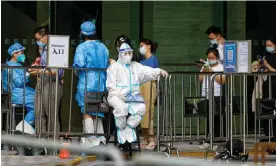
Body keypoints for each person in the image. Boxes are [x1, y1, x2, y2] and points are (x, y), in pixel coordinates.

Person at [106, 43, 168, 146]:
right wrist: (118, 94)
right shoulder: (114, 67)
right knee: (121, 108)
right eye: (126, 53)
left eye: (130, 53)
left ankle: (128, 128)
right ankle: (121, 129)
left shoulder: (135, 66)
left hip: (132, 97)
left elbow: (147, 71)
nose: (128, 55)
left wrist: (158, 71)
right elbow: (111, 86)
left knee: (141, 108)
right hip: (116, 97)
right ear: (120, 54)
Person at [73, 21, 109, 146]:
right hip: (101, 82)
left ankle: (91, 140)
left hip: (87, 82)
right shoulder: (103, 47)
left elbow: (79, 65)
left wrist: (76, 72)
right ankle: (101, 139)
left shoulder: (82, 48)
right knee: (98, 112)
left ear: (82, 33)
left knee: (87, 111)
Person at [33, 26, 64, 136]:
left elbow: (58, 72)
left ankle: (53, 145)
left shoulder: (56, 48)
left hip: (52, 84)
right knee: (38, 113)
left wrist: (40, 71)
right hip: (42, 82)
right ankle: (42, 143)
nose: (38, 42)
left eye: (38, 39)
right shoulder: (44, 50)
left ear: (45, 36)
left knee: (51, 115)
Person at [2, 43, 35, 134]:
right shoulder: (10, 66)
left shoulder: (16, 65)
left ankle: (25, 128)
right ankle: (22, 128)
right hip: (16, 94)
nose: (23, 55)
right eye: (21, 52)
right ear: (14, 54)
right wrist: (28, 73)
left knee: (38, 102)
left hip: (21, 92)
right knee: (39, 103)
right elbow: (19, 82)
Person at [198, 48, 225, 150]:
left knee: (216, 118)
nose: (210, 59)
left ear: (217, 57)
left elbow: (222, 80)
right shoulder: (206, 66)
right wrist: (204, 71)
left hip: (216, 95)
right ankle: (208, 141)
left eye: (212, 57)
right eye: (209, 57)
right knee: (208, 118)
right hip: (205, 94)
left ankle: (216, 141)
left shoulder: (221, 67)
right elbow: (200, 79)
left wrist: (212, 72)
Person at [138, 38, 159, 150]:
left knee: (149, 114)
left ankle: (152, 140)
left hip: (150, 87)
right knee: (142, 114)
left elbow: (151, 74)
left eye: (142, 45)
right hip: (141, 87)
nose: (140, 48)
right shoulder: (141, 61)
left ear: (148, 46)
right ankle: (145, 139)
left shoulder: (153, 59)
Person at [261, 36, 276, 137]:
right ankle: (267, 134)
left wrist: (267, 65)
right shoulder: (267, 55)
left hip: (275, 86)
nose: (268, 47)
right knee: (266, 108)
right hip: (268, 84)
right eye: (266, 45)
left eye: (270, 45)